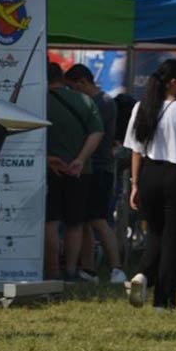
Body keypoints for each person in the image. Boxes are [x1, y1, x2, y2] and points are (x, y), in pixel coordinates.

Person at [124, 59, 176, 310]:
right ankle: (163, 301)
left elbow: (135, 150)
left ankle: (144, 275)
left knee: (156, 233)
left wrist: (135, 184)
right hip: (175, 176)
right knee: (171, 240)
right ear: (173, 82)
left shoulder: (141, 107)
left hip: (148, 174)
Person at [64, 64, 127, 284]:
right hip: (90, 167)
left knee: (98, 220)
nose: (72, 93)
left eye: (73, 88)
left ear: (83, 82)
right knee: (85, 221)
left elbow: (95, 133)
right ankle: (88, 269)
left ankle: (116, 268)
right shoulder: (95, 101)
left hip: (100, 168)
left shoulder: (104, 103)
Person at [44, 62, 104, 281]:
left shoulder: (38, 102)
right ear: (61, 77)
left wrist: (46, 159)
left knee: (50, 222)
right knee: (75, 223)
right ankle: (70, 271)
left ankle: (51, 271)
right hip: (80, 171)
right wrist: (80, 160)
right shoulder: (85, 101)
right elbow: (97, 132)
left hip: (49, 170)